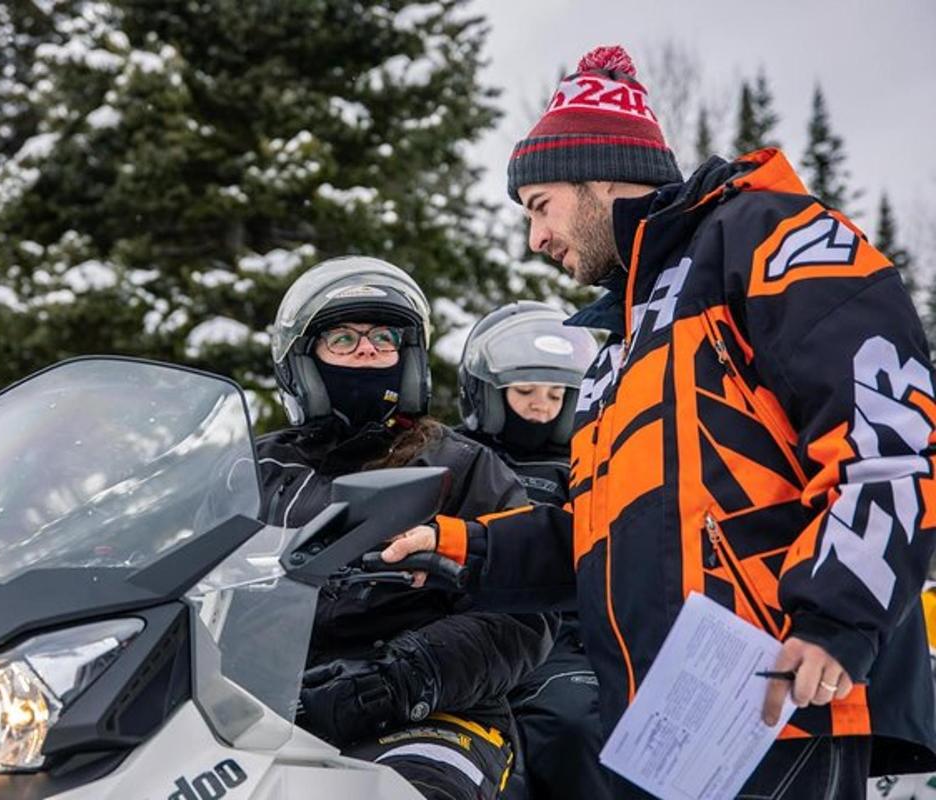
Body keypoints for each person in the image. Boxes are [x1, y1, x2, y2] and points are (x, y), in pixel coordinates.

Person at [382, 44, 936, 797]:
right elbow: (601, 537)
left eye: (540, 208)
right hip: (666, 726)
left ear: (600, 176)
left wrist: (836, 621)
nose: (535, 240)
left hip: (780, 698)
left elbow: (891, 433)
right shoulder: (627, 343)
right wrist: (460, 547)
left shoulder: (769, 236)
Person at [259, 255, 551, 800]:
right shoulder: (259, 469)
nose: (367, 350)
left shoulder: (461, 467)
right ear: (302, 361)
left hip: (432, 715)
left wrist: (396, 677)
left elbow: (522, 612)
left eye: (384, 337)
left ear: (408, 357)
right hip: (260, 710)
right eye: (343, 339)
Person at [455, 301, 609, 799]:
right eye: (524, 392)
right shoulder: (455, 458)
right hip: (463, 631)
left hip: (559, 640)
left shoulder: (587, 467)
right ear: (489, 393)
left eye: (556, 393)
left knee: (574, 726)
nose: (541, 406)